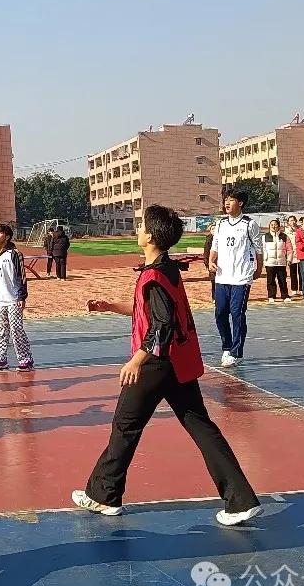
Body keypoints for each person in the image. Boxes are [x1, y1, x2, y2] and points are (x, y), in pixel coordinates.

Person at [72, 204, 263, 527]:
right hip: (178, 363)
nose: (137, 230)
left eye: (141, 226)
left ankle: (105, 495)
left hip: (157, 364)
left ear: (150, 236)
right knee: (200, 426)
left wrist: (137, 359)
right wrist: (111, 306)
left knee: (125, 426)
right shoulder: (166, 270)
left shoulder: (154, 276)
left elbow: (162, 325)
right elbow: (150, 312)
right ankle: (240, 500)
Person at [208, 190, 262, 367]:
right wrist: (211, 261)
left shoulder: (249, 224)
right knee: (220, 313)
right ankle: (227, 346)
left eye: (231, 200)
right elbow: (215, 245)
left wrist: (258, 269)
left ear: (240, 203)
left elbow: (258, 249)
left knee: (237, 313)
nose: (227, 203)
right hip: (222, 276)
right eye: (226, 200)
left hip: (241, 277)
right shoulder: (221, 224)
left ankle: (237, 353)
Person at [0, 223, 33, 371]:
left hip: (14, 299)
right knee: (0, 330)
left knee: (16, 329)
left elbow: (21, 276)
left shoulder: (14, 253)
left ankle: (25, 359)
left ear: (8, 236)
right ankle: (1, 358)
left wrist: (22, 296)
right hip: (0, 300)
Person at [261, 219, 291, 302]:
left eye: (275, 224)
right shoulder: (265, 237)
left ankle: (285, 296)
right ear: (269, 226)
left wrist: (289, 259)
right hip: (269, 262)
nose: (274, 226)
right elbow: (262, 249)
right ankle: (271, 296)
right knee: (270, 280)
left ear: (279, 226)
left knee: (282, 280)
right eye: (272, 225)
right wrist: (264, 259)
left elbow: (289, 249)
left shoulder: (284, 236)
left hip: (281, 262)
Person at [285, 215, 301, 296]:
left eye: (294, 220)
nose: (293, 222)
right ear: (288, 222)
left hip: (300, 253)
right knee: (293, 272)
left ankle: (302, 288)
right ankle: (294, 289)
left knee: (302, 272)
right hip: (291, 254)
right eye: (291, 220)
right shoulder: (286, 232)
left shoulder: (300, 230)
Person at [201, 221, 217, 299]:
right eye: (212, 229)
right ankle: (214, 297)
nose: (214, 230)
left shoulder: (221, 238)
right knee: (214, 280)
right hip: (212, 262)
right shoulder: (209, 239)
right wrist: (207, 263)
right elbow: (206, 252)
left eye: (215, 229)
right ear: (210, 230)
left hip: (221, 263)